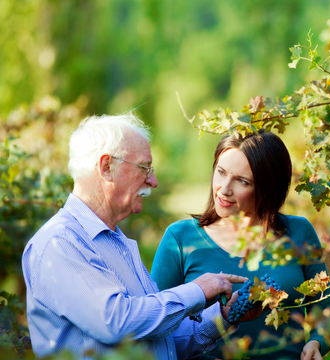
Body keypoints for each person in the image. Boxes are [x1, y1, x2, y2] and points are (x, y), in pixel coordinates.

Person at [22, 114, 261, 360]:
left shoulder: (115, 241)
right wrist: (198, 290)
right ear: (106, 167)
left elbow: (156, 344)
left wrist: (222, 316)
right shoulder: (60, 242)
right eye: (144, 168)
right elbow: (116, 323)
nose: (153, 181)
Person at [150, 130, 330, 360]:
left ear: (267, 188)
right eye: (221, 172)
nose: (224, 189)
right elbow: (156, 324)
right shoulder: (180, 239)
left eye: (242, 181)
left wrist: (317, 342)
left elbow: (329, 313)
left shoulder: (300, 233)